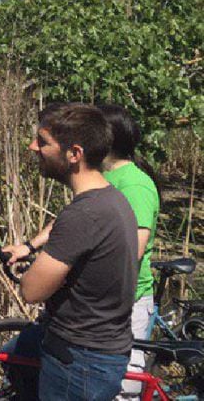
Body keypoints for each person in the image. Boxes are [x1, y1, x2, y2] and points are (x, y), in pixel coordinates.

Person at [5, 103, 138, 401]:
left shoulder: (84, 214)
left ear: (74, 154)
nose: (33, 147)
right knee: (11, 355)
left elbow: (31, 290)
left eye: (43, 142)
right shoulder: (113, 200)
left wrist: (35, 266)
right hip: (97, 353)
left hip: (78, 363)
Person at [97, 104, 160, 400]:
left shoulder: (135, 185)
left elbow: (131, 250)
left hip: (128, 301)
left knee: (126, 387)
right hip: (104, 303)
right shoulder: (101, 179)